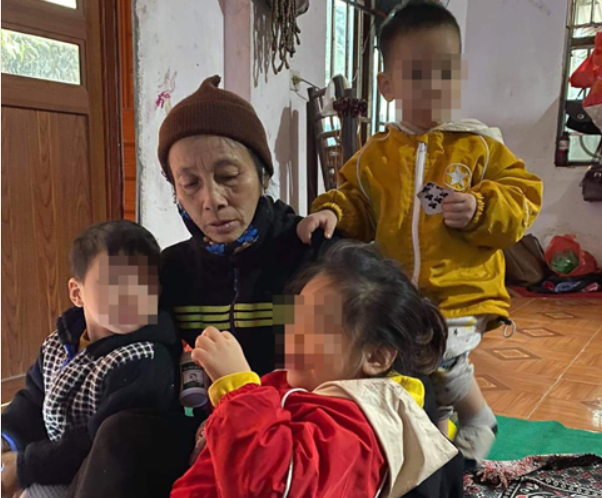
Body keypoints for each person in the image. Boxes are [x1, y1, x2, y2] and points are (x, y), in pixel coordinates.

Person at [66, 76, 337, 498]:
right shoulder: (172, 270)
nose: (211, 200)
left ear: (263, 173)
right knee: (121, 432)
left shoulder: (312, 255)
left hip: (291, 435)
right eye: (190, 184)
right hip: (199, 431)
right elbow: (120, 328)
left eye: (228, 175)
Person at [297, 0, 543, 464]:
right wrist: (331, 212)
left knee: (439, 356)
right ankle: (436, 438)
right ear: (387, 85)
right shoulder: (376, 156)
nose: (434, 86)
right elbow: (355, 201)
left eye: (445, 72)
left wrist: (481, 206)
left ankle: (478, 418)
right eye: (417, 74)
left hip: (461, 293)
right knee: (410, 368)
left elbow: (523, 197)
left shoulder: (480, 146)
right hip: (401, 294)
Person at [170, 241, 462, 498]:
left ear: (376, 357)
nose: (292, 335)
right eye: (294, 319)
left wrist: (238, 389)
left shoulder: (362, 427)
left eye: (314, 328)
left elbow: (271, 488)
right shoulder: (300, 384)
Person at [1, 220, 178, 498]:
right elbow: (33, 400)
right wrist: (7, 438)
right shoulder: (57, 344)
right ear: (77, 293)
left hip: (98, 476)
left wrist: (26, 466)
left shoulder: (145, 360)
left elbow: (96, 442)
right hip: (53, 461)